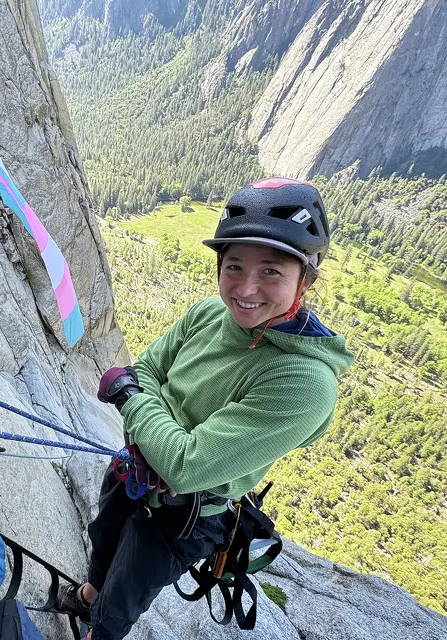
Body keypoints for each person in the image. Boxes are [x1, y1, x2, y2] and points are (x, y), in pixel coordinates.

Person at [57, 178, 355, 639]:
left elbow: (185, 464)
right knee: (104, 539)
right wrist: (150, 421)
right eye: (234, 266)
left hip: (187, 512)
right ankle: (86, 597)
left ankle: (100, 628)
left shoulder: (305, 382)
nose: (246, 288)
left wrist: (130, 401)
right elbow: (149, 369)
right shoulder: (208, 315)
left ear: (305, 277)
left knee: (126, 594)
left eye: (271, 271)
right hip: (133, 470)